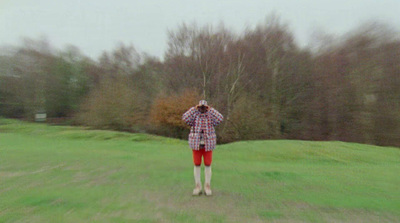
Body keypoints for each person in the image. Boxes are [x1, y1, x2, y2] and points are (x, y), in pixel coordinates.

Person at [182, 100, 223, 196]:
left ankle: (207, 185)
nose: (202, 109)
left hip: (208, 144)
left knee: (208, 164)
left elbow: (220, 118)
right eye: (201, 107)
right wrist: (194, 109)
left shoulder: (210, 115)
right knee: (197, 164)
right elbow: (185, 118)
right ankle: (197, 186)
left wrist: (211, 110)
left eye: (204, 107)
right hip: (196, 144)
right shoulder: (194, 115)